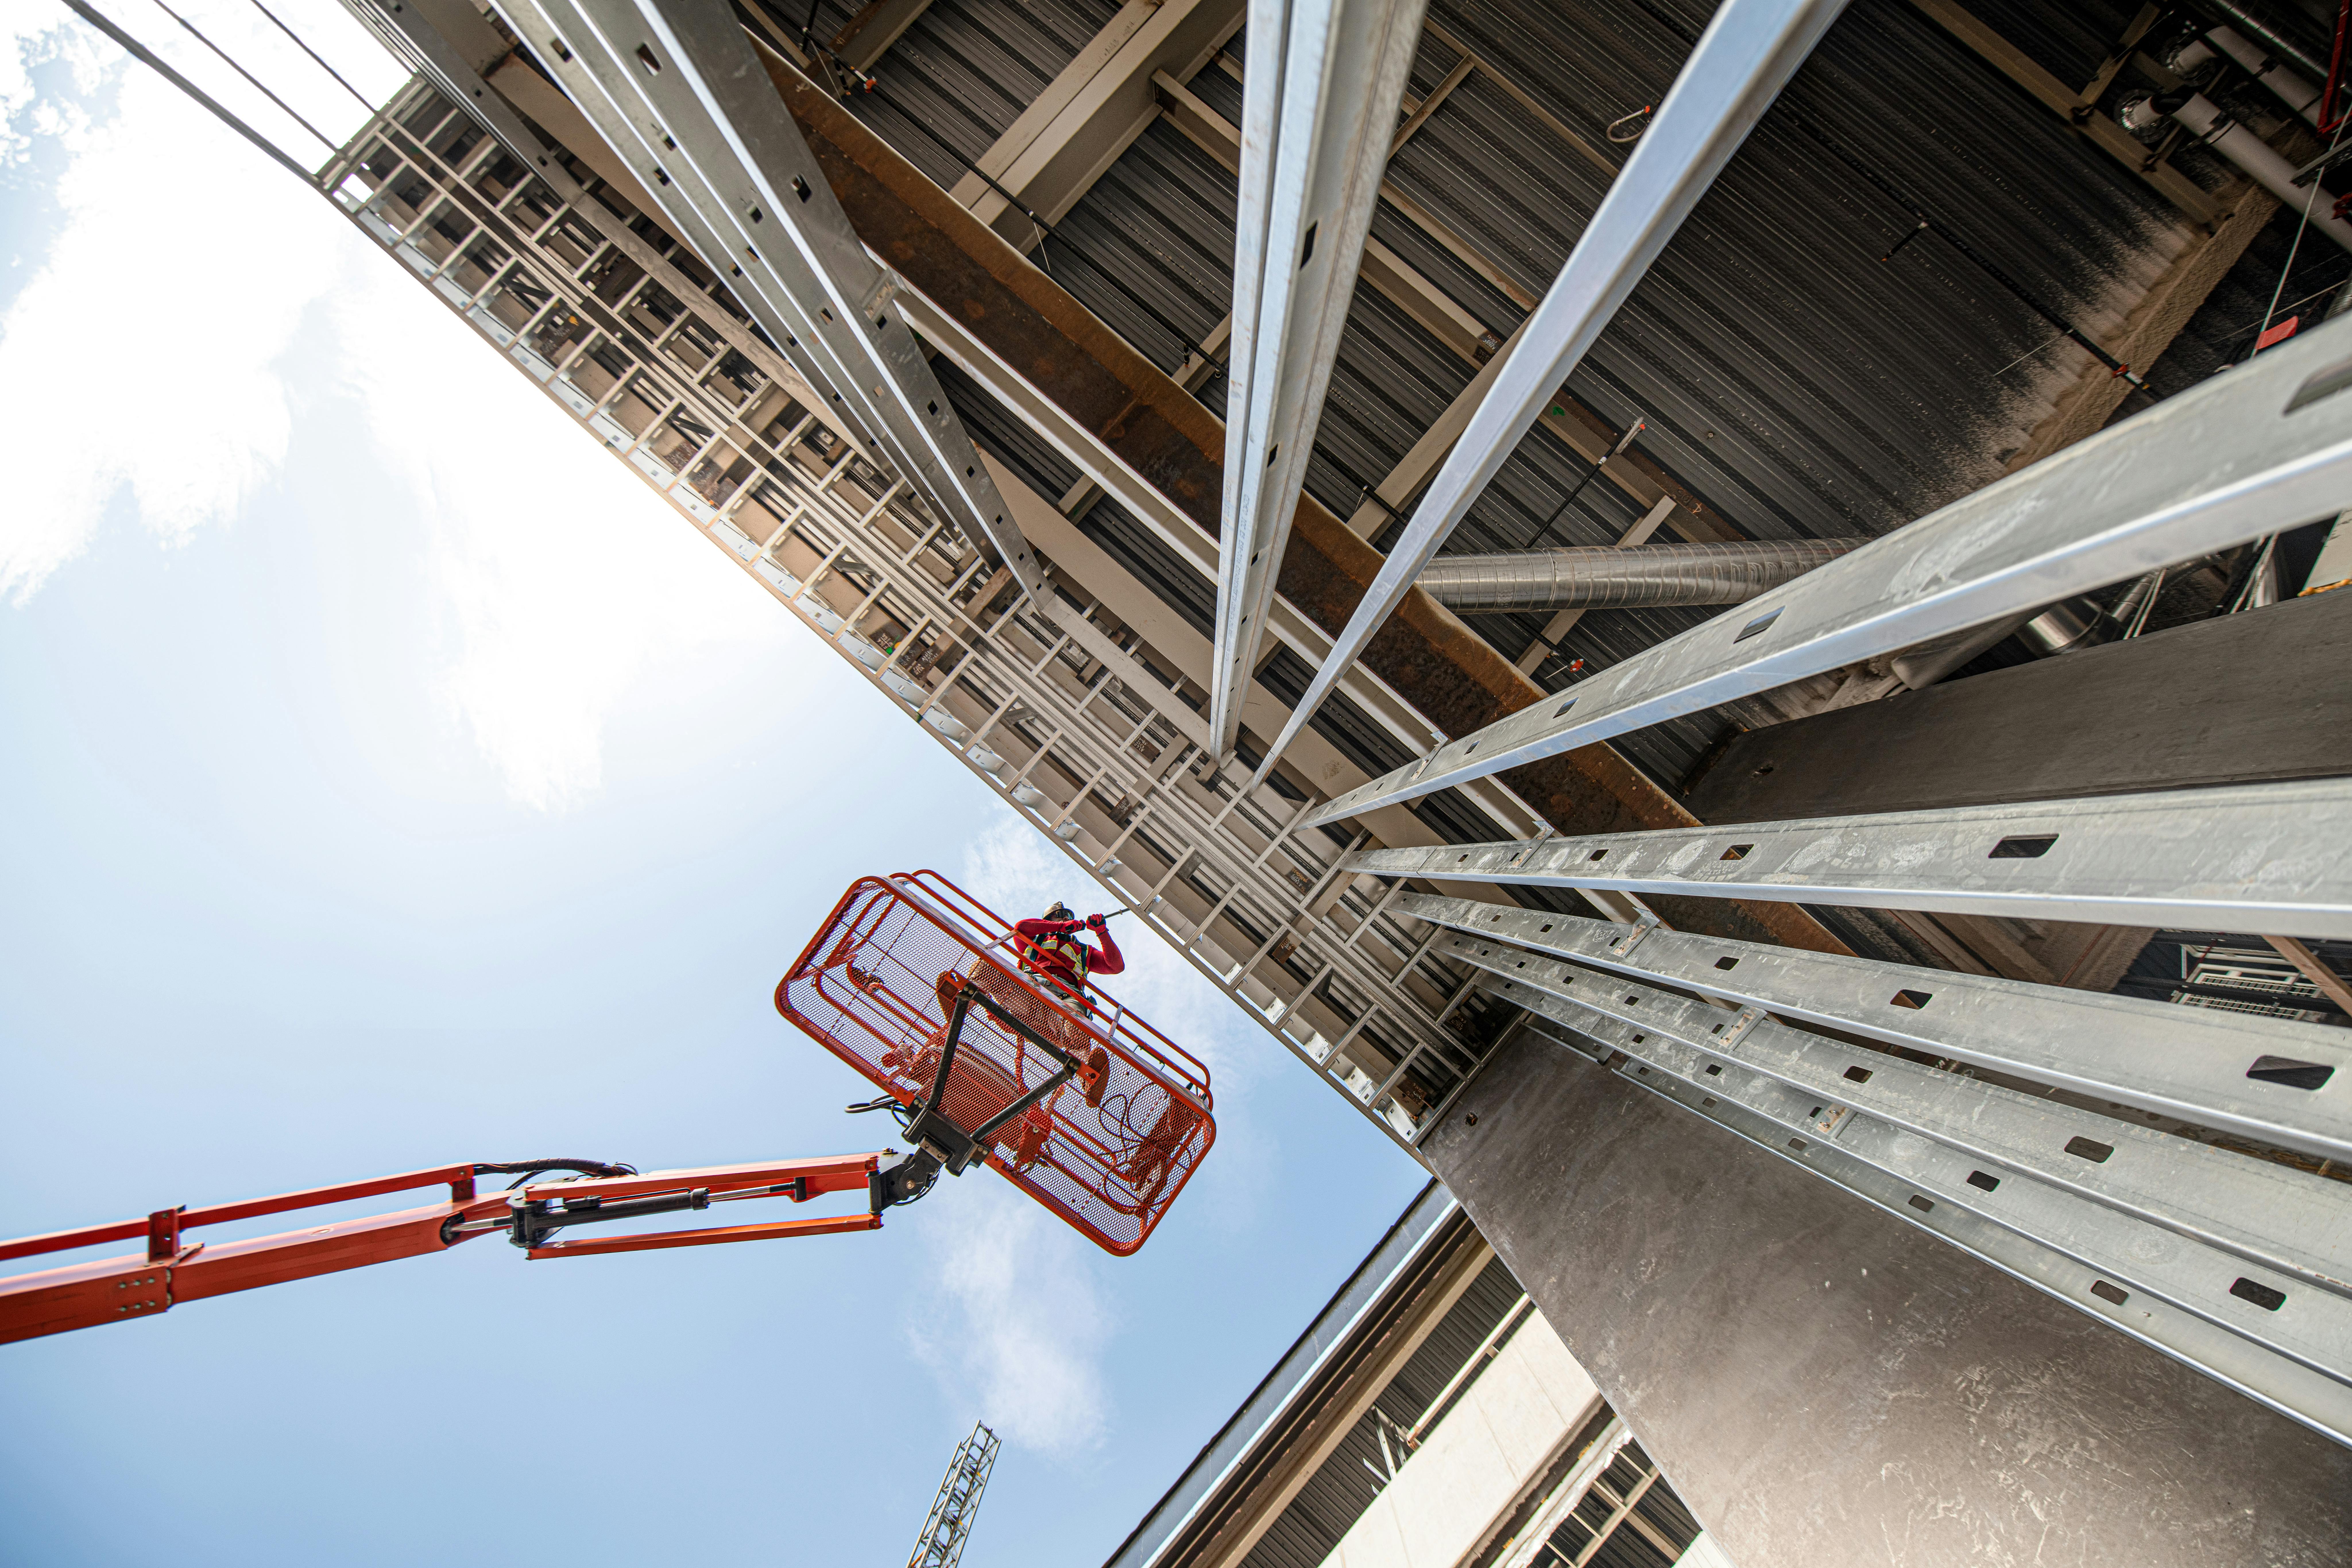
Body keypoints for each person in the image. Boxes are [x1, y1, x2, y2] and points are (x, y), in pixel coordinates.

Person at [1011, 901, 1124, 1014]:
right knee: (1008, 996)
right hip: (1032, 981)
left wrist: (1102, 932)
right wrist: (1061, 927)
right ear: (1047, 920)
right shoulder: (1034, 939)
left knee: (1075, 1019)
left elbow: (1116, 967)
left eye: (1069, 916)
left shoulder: (1085, 951)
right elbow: (1020, 927)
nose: (1066, 918)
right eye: (1060, 914)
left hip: (1069, 995)